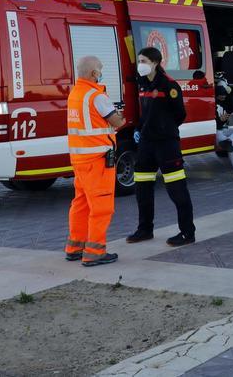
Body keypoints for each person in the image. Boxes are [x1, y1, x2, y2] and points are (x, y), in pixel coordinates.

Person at [127, 47, 196, 246]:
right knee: (143, 189)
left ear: (155, 63)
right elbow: (145, 112)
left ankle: (187, 233)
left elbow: (179, 114)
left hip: (166, 144)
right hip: (146, 144)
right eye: (139, 60)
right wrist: (141, 129)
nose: (140, 64)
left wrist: (163, 127)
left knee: (176, 189)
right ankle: (145, 229)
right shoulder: (143, 84)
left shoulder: (169, 85)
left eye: (143, 61)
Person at [65, 56, 126, 266]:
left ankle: (75, 247)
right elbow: (116, 121)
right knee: (101, 207)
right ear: (93, 74)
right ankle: (94, 252)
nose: (101, 72)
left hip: (80, 159)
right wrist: (122, 115)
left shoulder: (75, 94)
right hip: (98, 161)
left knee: (80, 204)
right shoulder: (96, 96)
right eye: (100, 69)